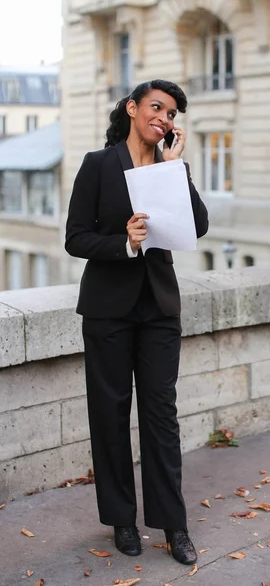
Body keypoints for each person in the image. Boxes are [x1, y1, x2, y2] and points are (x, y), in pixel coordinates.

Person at [65, 79, 208, 565]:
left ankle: (174, 525)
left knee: (161, 417)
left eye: (171, 114)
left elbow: (200, 225)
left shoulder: (172, 167)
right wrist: (123, 242)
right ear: (132, 109)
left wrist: (176, 173)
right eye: (156, 108)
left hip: (159, 310)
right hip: (107, 310)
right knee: (109, 416)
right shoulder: (99, 165)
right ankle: (122, 520)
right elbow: (76, 238)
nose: (164, 119)